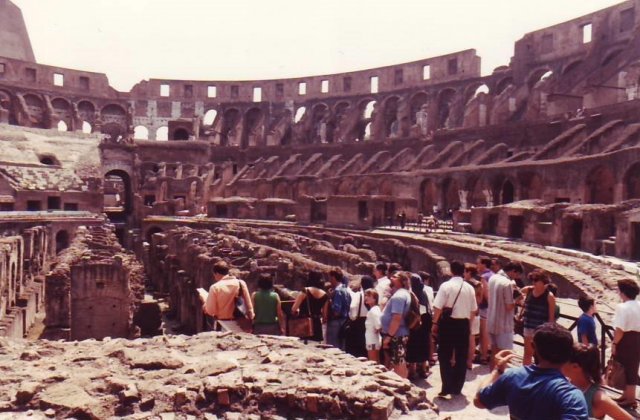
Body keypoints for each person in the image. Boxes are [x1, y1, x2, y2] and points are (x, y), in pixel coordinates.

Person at [474, 323, 588, 419]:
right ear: (568, 354)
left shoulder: (513, 376)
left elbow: (479, 400)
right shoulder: (571, 397)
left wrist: (497, 370)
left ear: (534, 349)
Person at [432, 261, 478, 396]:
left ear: (451, 271)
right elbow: (474, 310)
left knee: (444, 354)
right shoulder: (469, 288)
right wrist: (468, 325)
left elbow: (438, 307)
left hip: (448, 323)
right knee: (461, 355)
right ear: (463, 271)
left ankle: (446, 386)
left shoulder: (446, 286)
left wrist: (435, 323)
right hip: (463, 323)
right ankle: (457, 387)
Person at [563, 343, 633, 419]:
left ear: (575, 367)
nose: (558, 364)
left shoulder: (598, 399)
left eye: (562, 361)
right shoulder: (564, 384)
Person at [611, 279, 640, 409]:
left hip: (626, 340)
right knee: (632, 368)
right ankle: (627, 395)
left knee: (624, 368)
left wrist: (614, 343)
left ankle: (630, 399)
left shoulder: (622, 307)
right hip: (637, 339)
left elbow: (620, 329)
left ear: (623, 292)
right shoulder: (639, 305)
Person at [487, 261, 519, 369]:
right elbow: (509, 306)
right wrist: (518, 299)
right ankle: (500, 381)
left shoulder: (493, 278)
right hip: (504, 324)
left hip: (491, 320)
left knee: (494, 353)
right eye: (517, 274)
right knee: (504, 355)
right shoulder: (507, 283)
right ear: (513, 271)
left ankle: (492, 378)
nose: (517, 277)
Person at [381, 271, 412, 378]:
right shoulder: (402, 293)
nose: (391, 277)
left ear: (402, 281)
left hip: (396, 334)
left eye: (395, 276)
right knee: (397, 361)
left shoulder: (399, 296)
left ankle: (405, 388)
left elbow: (396, 318)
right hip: (397, 333)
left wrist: (389, 337)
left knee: (399, 362)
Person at [521, 269, 556, 366]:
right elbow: (518, 293)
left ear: (543, 281)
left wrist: (549, 334)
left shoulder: (549, 296)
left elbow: (551, 318)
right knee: (527, 354)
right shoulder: (529, 290)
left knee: (541, 356)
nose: (533, 282)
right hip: (528, 327)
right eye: (532, 280)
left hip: (541, 330)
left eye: (536, 280)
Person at [406, 273, 432, 379]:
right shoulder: (424, 292)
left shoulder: (411, 294)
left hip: (414, 322)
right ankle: (422, 368)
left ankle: (412, 370)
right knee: (423, 345)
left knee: (412, 345)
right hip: (425, 320)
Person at [291, 271, 329, 342]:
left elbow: (293, 309)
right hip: (317, 325)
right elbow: (324, 317)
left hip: (304, 324)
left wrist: (298, 311)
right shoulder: (325, 295)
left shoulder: (305, 291)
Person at [326, 267, 351, 349]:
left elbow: (337, 311)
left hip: (335, 323)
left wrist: (329, 299)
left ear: (333, 277)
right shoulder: (345, 290)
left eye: (329, 277)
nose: (329, 280)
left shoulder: (337, 291)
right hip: (344, 322)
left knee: (332, 348)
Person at [464, 263, 482, 369]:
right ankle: (469, 362)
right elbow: (479, 300)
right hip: (475, 313)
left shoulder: (464, 283)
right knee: (472, 338)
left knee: (462, 338)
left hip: (465, 313)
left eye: (465, 271)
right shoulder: (479, 284)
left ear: (469, 272)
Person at [345, 277, 368, 358]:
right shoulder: (373, 294)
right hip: (367, 322)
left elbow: (353, 307)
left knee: (355, 349)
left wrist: (351, 317)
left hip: (358, 323)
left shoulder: (359, 295)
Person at [477, 256, 493, 365]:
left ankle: (483, 356)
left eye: (478, 263)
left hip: (485, 307)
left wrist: (478, 304)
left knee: (484, 332)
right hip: (492, 307)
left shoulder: (484, 277)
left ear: (484, 264)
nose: (477, 265)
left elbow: (486, 293)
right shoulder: (493, 275)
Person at [418, 271, 436, 366]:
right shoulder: (429, 289)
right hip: (429, 314)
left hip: (422, 314)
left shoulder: (418, 289)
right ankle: (431, 356)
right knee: (429, 336)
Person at [364, 288, 382, 363]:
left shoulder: (374, 310)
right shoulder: (373, 309)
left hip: (373, 340)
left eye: (369, 296)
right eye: (365, 295)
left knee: (373, 362)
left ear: (374, 299)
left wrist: (377, 330)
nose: (366, 297)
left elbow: (379, 325)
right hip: (371, 339)